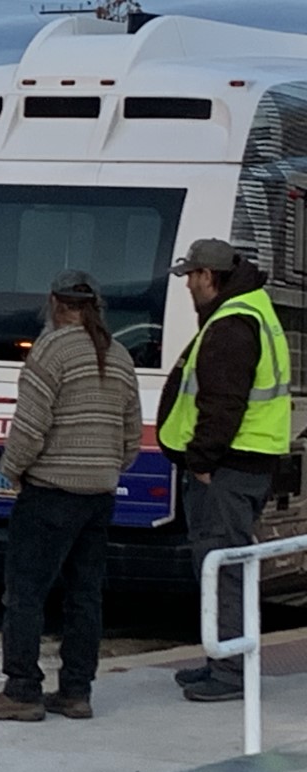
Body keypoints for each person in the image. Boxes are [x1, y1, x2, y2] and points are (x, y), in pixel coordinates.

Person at [0, 270, 142, 722]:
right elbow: (131, 435)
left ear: (54, 302)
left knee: (25, 592)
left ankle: (22, 690)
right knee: (85, 596)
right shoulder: (120, 354)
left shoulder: (50, 350)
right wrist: (105, 469)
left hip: (50, 492)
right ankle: (76, 692)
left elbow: (30, 425)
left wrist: (10, 471)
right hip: (99, 494)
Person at [157, 239, 291, 702]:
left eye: (191, 277)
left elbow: (222, 404)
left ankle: (229, 672)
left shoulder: (233, 324)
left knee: (221, 567)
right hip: (245, 462)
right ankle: (222, 659)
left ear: (208, 277)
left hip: (227, 469)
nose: (188, 286)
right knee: (225, 567)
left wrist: (201, 461)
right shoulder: (251, 312)